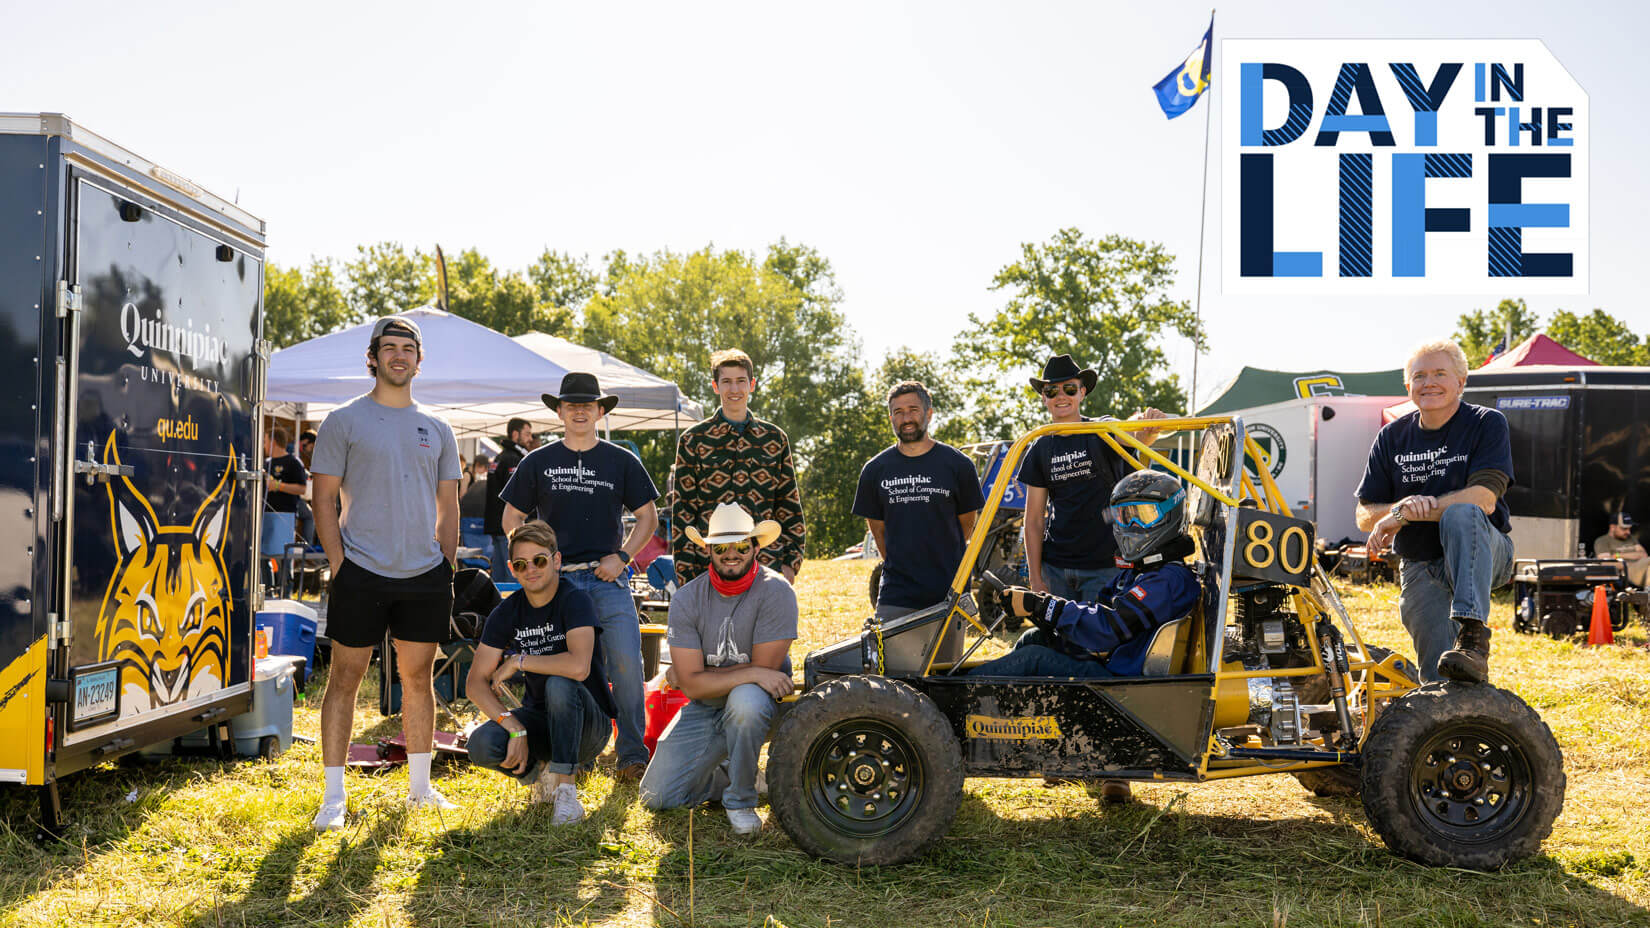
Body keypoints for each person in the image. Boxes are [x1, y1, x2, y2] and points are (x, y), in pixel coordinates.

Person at [310, 315, 462, 830]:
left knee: (419, 680)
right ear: (373, 357)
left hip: (424, 575)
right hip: (362, 571)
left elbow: (449, 505)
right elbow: (323, 498)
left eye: (408, 349)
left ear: (420, 361)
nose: (400, 356)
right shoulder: (344, 420)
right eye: (390, 348)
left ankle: (420, 790)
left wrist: (446, 564)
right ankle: (333, 797)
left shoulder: (438, 427)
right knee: (344, 680)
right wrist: (339, 565)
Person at [972, 469, 1200, 802]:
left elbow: (1110, 629)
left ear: (1171, 516)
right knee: (1034, 641)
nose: (1131, 527)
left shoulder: (1168, 579)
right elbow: (1097, 616)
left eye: (1144, 516)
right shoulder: (1142, 572)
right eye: (1125, 517)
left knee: (1034, 659)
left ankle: (950, 704)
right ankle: (1046, 744)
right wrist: (1042, 610)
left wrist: (1044, 605)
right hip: (1116, 668)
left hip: (1128, 690)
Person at [502, 372, 660, 782]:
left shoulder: (621, 460)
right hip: (560, 586)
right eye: (571, 405)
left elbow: (648, 518)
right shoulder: (538, 461)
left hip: (608, 580)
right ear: (558, 411)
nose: (579, 412)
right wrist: (535, 564)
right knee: (573, 671)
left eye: (587, 405)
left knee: (626, 666)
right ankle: (580, 752)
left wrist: (623, 557)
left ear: (600, 411)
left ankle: (631, 757)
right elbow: (511, 518)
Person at [1357, 339, 1514, 685]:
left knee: (1462, 513)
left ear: (1461, 381)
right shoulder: (1391, 437)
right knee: (1440, 677)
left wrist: (1404, 515)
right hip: (1420, 565)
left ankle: (1473, 635)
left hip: (1486, 550)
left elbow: (1484, 499)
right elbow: (1365, 513)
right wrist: (1398, 508)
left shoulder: (1487, 423)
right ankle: (1455, 732)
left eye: (1440, 373)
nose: (1429, 383)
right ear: (1408, 386)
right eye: (1419, 376)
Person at [640, 503, 797, 834]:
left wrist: (747, 675)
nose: (731, 554)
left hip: (763, 707)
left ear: (755, 547)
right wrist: (751, 671)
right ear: (708, 550)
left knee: (745, 701)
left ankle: (740, 799)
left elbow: (761, 680)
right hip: (705, 708)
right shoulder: (686, 599)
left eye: (741, 546)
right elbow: (693, 688)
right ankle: (734, 771)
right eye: (720, 547)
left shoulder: (776, 591)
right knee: (656, 796)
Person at [465, 520, 615, 824]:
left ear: (556, 560)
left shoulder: (575, 600)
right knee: (480, 744)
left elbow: (578, 666)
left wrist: (520, 661)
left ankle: (567, 795)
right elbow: (475, 685)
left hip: (589, 725)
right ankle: (542, 776)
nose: (530, 569)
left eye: (540, 560)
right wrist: (514, 727)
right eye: (521, 564)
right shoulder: (507, 612)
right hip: (540, 720)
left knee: (559, 683)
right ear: (512, 568)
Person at [1018, 354, 1166, 600]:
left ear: (1082, 393)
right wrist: (1035, 578)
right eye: (1052, 391)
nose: (1061, 396)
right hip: (1055, 568)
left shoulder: (1100, 430)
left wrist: (1148, 426)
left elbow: (1134, 435)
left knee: (1099, 637)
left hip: (1104, 568)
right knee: (1056, 638)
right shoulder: (1040, 447)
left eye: (1069, 389)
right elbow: (1033, 520)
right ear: (1044, 397)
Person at [671, 348, 806, 585]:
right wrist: (686, 574)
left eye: (741, 381)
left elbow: (788, 503)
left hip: (766, 562)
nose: (734, 389)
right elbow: (683, 510)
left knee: (766, 623)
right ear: (715, 386)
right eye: (727, 382)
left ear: (752, 384)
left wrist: (790, 562)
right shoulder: (693, 440)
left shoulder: (775, 438)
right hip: (708, 564)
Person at [853, 381, 986, 618]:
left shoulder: (958, 465)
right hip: (897, 592)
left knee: (947, 657)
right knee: (893, 656)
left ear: (929, 413)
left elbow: (967, 523)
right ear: (891, 418)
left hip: (950, 589)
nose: (906, 418)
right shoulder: (875, 470)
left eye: (913, 410)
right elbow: (878, 530)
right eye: (898, 412)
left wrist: (943, 554)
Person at [485, 418, 535, 582]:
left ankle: (498, 607)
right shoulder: (513, 459)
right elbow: (517, 495)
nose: (530, 439)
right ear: (515, 434)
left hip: (497, 525)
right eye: (527, 434)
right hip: (508, 526)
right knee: (513, 576)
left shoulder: (500, 457)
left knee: (500, 575)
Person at [265, 426, 309, 520]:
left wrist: (277, 485)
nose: (264, 446)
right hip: (265, 514)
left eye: (265, 442)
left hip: (285, 515)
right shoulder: (266, 463)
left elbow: (302, 489)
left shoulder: (293, 462)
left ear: (273, 442)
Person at [1594, 512, 1648, 588]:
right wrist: (1629, 563)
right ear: (1613, 527)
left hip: (1640, 567)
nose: (1628, 532)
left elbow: (1643, 555)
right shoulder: (1602, 541)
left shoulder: (1631, 538)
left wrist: (1617, 555)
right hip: (1627, 573)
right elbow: (1606, 563)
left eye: (1629, 528)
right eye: (1624, 529)